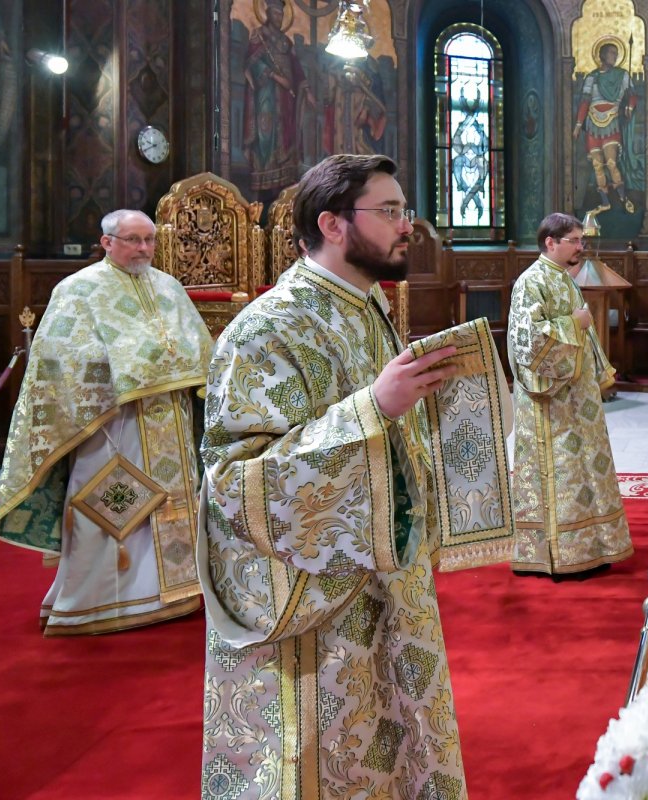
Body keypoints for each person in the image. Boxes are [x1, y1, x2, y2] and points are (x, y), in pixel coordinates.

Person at [198, 154, 479, 799]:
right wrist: (372, 408)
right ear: (332, 223)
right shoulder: (268, 327)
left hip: (384, 577)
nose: (407, 225)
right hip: (313, 603)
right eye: (390, 211)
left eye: (405, 210)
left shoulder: (364, 306)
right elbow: (235, 483)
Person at [0, 210, 212, 635]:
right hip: (112, 423)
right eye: (132, 240)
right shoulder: (77, 291)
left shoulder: (168, 287)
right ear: (107, 241)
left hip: (169, 417)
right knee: (110, 505)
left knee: (174, 505)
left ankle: (176, 592)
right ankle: (95, 603)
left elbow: (198, 346)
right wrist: (135, 369)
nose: (143, 249)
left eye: (149, 240)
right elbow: (60, 362)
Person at [507, 213, 632, 575]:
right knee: (561, 469)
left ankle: (594, 545)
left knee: (585, 466)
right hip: (552, 398)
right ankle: (559, 558)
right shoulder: (530, 282)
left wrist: (596, 370)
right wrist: (573, 324)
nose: (581, 246)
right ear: (551, 242)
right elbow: (527, 341)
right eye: (574, 240)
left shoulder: (564, 277)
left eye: (580, 240)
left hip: (579, 395)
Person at [243, 0, 313, 196]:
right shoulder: (260, 36)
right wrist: (274, 76)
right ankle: (265, 186)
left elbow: (297, 69)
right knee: (266, 133)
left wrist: (307, 91)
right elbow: (251, 63)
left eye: (281, 15)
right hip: (266, 94)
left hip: (286, 98)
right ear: (268, 14)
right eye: (276, 14)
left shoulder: (286, 42)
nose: (279, 18)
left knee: (287, 134)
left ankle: (284, 187)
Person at [573, 42, 639, 214]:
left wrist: (629, 108)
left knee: (611, 163)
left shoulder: (622, 75)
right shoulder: (591, 77)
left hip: (611, 123)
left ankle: (623, 198)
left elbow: (632, 95)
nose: (615, 56)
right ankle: (605, 202)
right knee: (597, 166)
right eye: (611, 53)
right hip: (593, 125)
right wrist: (578, 126)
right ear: (602, 55)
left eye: (616, 53)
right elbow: (585, 102)